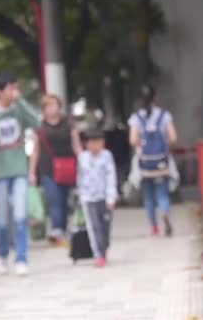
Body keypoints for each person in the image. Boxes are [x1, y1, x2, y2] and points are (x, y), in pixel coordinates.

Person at [0, 72, 40, 276]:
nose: (14, 91)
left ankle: (22, 258)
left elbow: (37, 122)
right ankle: (2, 255)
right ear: (0, 91)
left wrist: (20, 101)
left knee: (20, 215)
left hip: (19, 170)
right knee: (2, 219)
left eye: (16, 87)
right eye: (11, 88)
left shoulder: (18, 110)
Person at [28, 95, 82, 246]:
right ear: (43, 110)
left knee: (65, 200)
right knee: (54, 200)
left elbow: (76, 145)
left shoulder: (69, 124)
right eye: (48, 106)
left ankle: (62, 230)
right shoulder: (39, 127)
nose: (52, 109)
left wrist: (84, 162)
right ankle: (57, 230)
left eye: (55, 105)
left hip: (68, 167)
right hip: (48, 169)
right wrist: (32, 172)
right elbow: (35, 151)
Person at [128, 85, 178, 237]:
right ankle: (164, 212)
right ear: (155, 98)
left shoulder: (136, 117)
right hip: (161, 162)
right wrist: (165, 146)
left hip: (145, 163)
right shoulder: (164, 115)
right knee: (162, 193)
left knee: (148, 196)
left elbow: (133, 140)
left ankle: (154, 227)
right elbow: (173, 138)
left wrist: (141, 145)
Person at [77, 128, 117, 268]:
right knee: (94, 227)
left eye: (98, 142)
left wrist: (111, 197)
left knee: (105, 226)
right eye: (92, 143)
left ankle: (104, 247)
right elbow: (80, 177)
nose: (95, 146)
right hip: (88, 198)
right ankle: (98, 254)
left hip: (104, 197)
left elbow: (111, 176)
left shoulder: (107, 156)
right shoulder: (82, 157)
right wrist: (80, 194)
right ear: (87, 144)